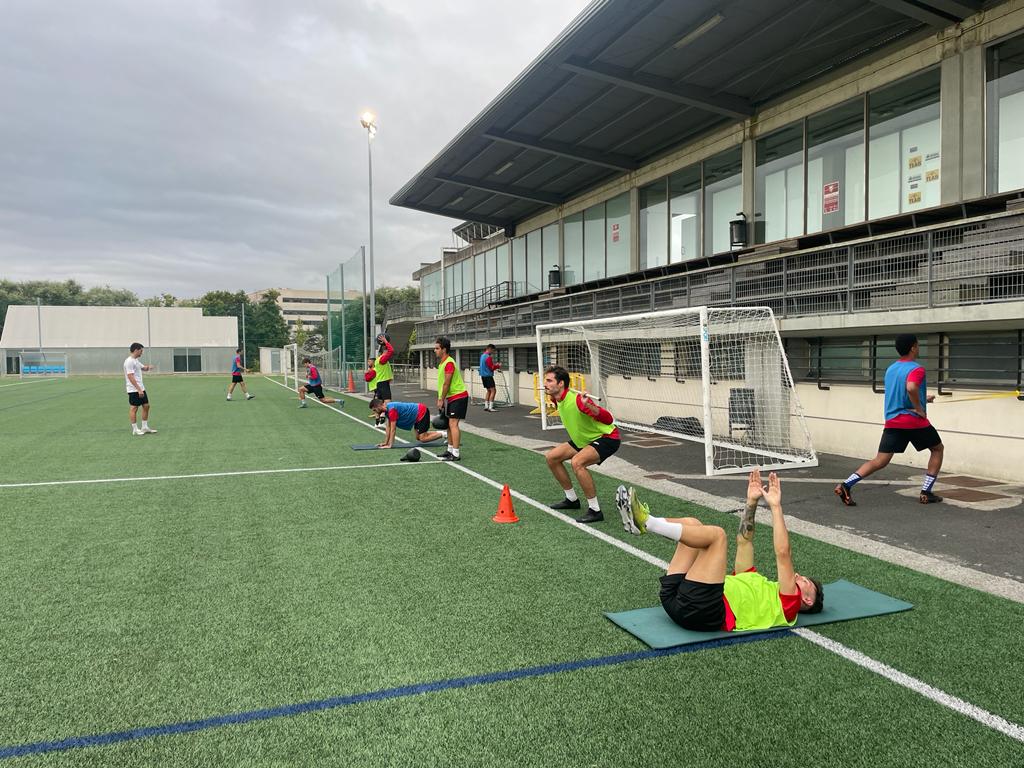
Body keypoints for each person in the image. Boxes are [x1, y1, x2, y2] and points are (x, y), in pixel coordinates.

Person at [616, 470, 824, 632]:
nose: (797, 575)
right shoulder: (754, 580)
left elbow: (783, 553)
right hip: (678, 599)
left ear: (807, 600)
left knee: (717, 536)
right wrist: (751, 502)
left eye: (804, 581)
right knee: (693, 524)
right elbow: (744, 540)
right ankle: (642, 523)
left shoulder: (788, 605)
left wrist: (776, 507)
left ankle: (647, 522)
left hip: (702, 611)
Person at [834, 333, 944, 506]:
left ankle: (846, 484)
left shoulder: (891, 369)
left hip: (893, 421)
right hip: (913, 421)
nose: (918, 347)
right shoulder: (917, 369)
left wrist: (924, 398)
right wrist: (918, 408)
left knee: (880, 461)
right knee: (937, 449)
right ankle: (926, 492)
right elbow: (911, 387)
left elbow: (903, 390)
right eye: (917, 345)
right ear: (913, 347)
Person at [542, 365, 620, 524]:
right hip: (583, 440)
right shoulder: (556, 399)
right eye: (545, 380)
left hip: (607, 437)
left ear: (561, 383)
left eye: (549, 381)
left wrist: (589, 406)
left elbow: (608, 419)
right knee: (552, 458)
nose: (545, 384)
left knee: (578, 462)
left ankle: (595, 510)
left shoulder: (578, 399)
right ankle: (571, 500)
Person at [434, 336, 467, 462]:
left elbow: (446, 383)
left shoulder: (449, 363)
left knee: (453, 424)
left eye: (437, 348)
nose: (435, 350)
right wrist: (441, 398)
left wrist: (441, 399)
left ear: (444, 349)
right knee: (449, 424)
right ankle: (449, 450)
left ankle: (456, 453)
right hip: (451, 397)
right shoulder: (442, 363)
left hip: (458, 396)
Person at [369, 398, 445, 449]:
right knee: (418, 437)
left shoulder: (391, 410)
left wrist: (390, 445)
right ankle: (443, 434)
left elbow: (393, 429)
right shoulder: (387, 410)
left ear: (378, 406)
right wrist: (385, 443)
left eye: (375, 410)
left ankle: (445, 434)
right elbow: (388, 427)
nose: (375, 412)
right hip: (416, 414)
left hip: (421, 411)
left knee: (423, 438)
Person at [124, 342, 157, 436]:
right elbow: (130, 376)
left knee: (146, 406)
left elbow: (143, 368)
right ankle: (135, 429)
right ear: (136, 350)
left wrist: (148, 367)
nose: (141, 353)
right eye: (141, 351)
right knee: (134, 408)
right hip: (134, 389)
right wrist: (138, 389)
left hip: (140, 388)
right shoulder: (129, 361)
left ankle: (144, 427)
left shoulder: (136, 361)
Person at [366, 334, 395, 425]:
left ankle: (378, 422)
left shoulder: (379, 360)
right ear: (385, 351)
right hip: (383, 384)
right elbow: (391, 351)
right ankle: (383, 420)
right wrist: (385, 341)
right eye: (387, 350)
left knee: (380, 403)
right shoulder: (382, 359)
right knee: (388, 403)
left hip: (380, 384)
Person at [479, 344, 501, 412]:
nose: (493, 352)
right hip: (488, 376)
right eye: (493, 350)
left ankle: (486, 406)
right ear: (490, 349)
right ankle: (491, 407)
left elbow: (486, 366)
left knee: (488, 390)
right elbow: (491, 368)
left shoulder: (482, 356)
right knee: (493, 390)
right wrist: (497, 366)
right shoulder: (488, 357)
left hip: (483, 376)